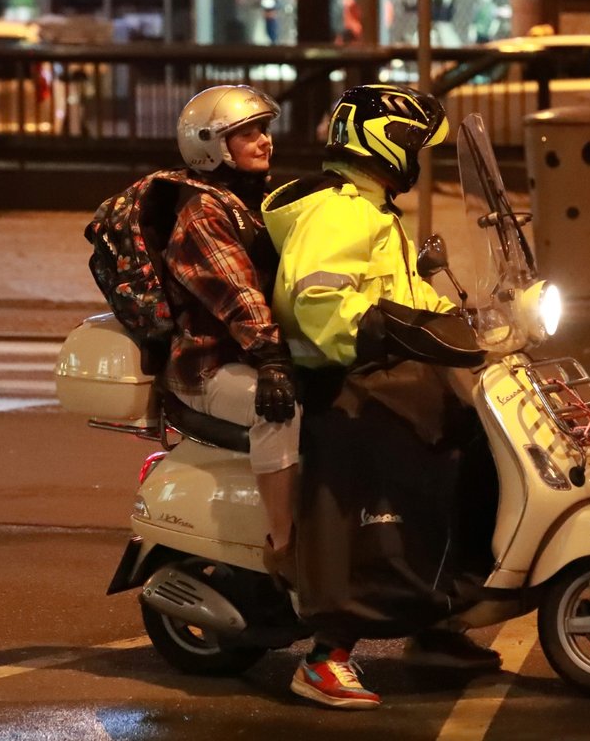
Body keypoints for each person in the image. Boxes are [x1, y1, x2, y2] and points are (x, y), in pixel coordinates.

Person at [262, 84, 499, 711]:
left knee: (475, 443)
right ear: (387, 143)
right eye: (416, 143)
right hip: (342, 383)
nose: (421, 158)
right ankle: (326, 654)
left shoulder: (374, 212)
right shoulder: (339, 213)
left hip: (382, 372)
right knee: (391, 476)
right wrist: (370, 329)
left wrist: (464, 320)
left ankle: (439, 616)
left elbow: (405, 298)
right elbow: (316, 299)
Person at [164, 84, 299, 582]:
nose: (265, 141)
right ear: (211, 145)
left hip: (250, 354)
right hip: (207, 367)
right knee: (282, 410)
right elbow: (238, 296)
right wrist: (273, 361)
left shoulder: (259, 199)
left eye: (264, 130)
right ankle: (285, 548)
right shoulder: (202, 214)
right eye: (248, 133)